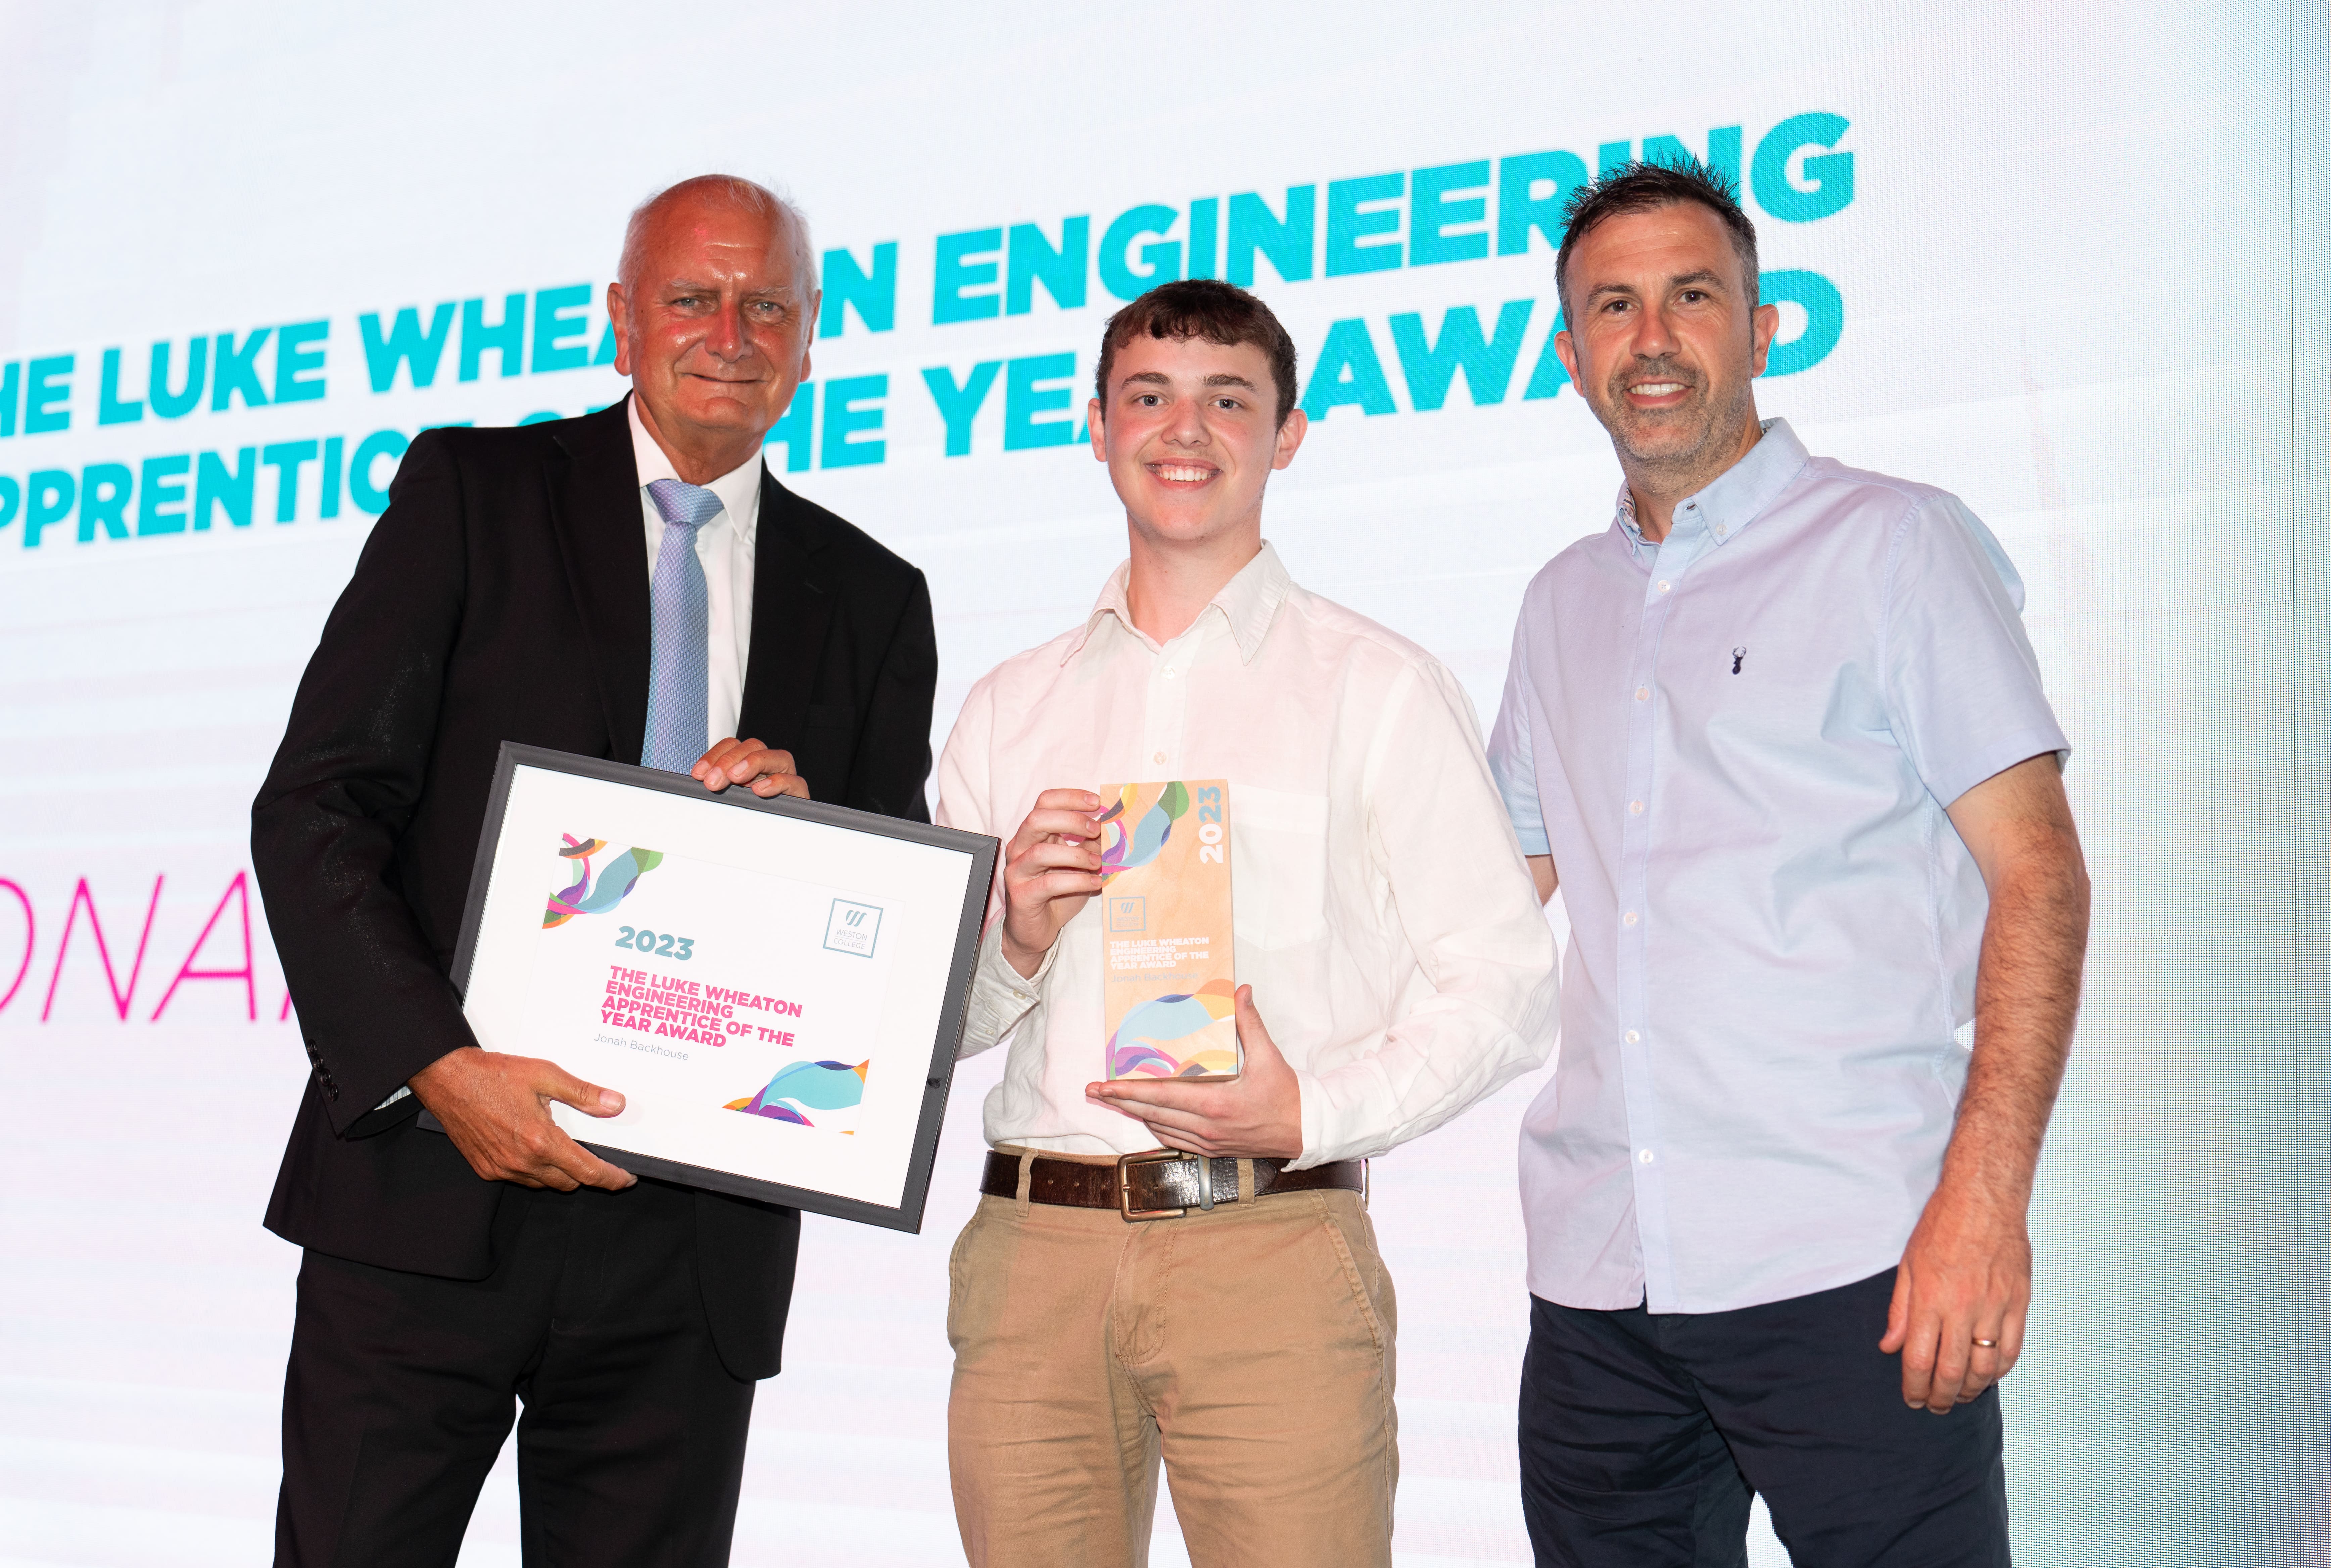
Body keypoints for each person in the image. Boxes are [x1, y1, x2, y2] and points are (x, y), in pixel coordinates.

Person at [251, 174, 938, 1568]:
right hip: (428, 1201)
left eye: (768, 306)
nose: (729, 331)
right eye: (692, 296)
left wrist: (817, 841)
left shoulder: (874, 596)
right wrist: (441, 1068)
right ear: (620, 317)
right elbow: (316, 807)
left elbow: (891, 926)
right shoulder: (473, 493)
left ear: (811, 341)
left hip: (687, 1261)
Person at [1490, 156, 2091, 1566]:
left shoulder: (1892, 543)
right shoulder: (1557, 604)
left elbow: (2041, 877)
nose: (1652, 339)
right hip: (1599, 1289)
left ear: (1761, 327)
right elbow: (1492, 908)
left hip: (1857, 1270)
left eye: (1691, 298)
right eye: (1613, 307)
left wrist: (1986, 1204)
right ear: (1569, 354)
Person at [932, 277, 1558, 1568]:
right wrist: (1015, 942)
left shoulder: (1376, 687)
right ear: (1094, 425)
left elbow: (1506, 984)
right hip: (1035, 1257)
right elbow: (943, 1029)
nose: (1185, 429)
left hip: (1272, 1243)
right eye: (1149, 396)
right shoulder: (1008, 707)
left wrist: (1310, 1116)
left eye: (1230, 400)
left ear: (1289, 435)